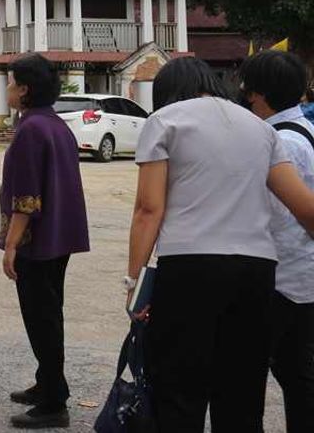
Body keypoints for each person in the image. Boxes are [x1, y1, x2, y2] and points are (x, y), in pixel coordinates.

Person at [125, 57, 314, 432]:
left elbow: (148, 209)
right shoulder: (260, 128)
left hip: (189, 267)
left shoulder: (164, 121)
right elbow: (305, 208)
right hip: (256, 271)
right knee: (241, 391)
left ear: (167, 93)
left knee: (179, 389)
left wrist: (135, 283)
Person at [0, 54, 90, 430]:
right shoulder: (54, 124)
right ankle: (48, 382)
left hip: (37, 240)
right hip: (59, 235)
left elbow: (26, 197)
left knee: (41, 318)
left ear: (24, 89)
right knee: (49, 312)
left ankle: (54, 401)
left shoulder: (31, 129)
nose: (7, 89)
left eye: (11, 82)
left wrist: (11, 244)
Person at [240, 49, 314, 431]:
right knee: (296, 372)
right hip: (301, 277)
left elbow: (271, 215)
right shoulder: (306, 131)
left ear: (257, 93)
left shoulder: (280, 143)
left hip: (285, 279)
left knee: (258, 372)